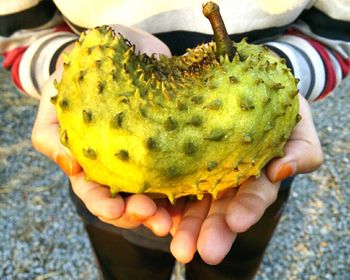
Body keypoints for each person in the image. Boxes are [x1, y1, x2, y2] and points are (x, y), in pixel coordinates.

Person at [1, 0, 349, 279]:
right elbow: (18, 36)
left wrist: (284, 70)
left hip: (247, 179)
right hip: (116, 194)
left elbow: (337, 37)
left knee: (227, 265)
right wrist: (64, 63)